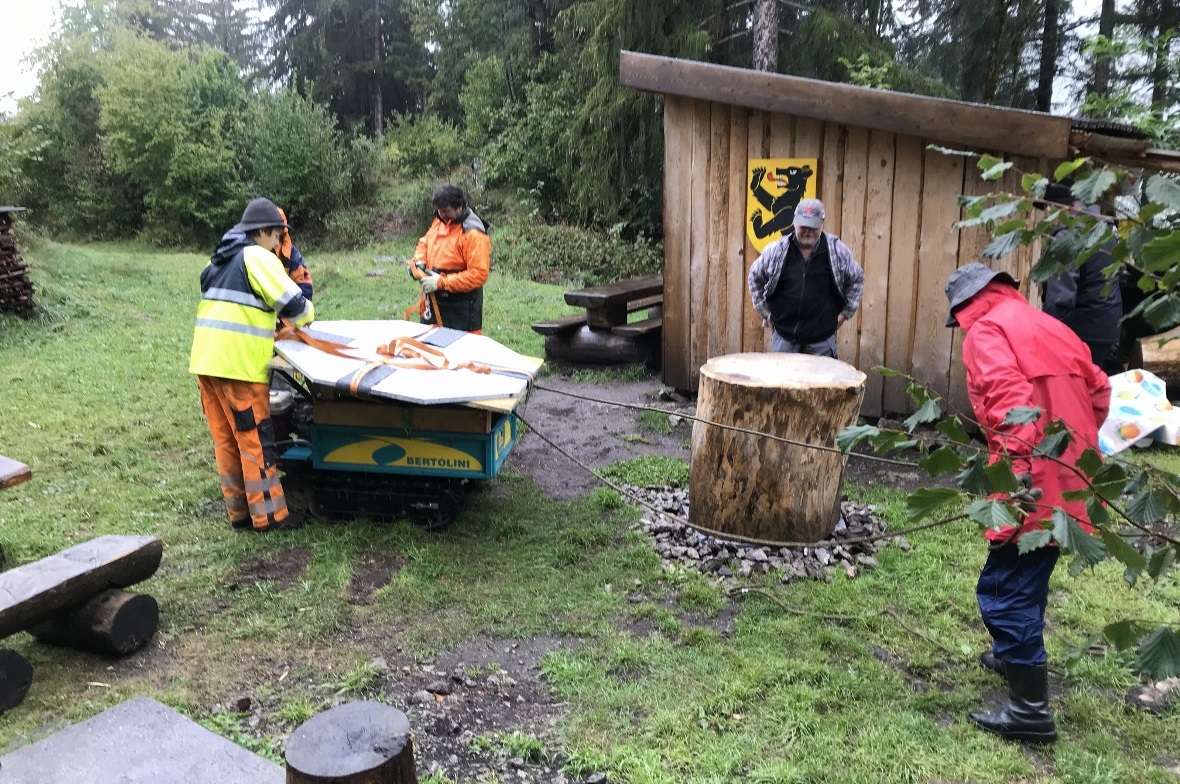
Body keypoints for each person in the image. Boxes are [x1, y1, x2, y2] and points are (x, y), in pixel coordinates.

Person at [944, 262, 1110, 744]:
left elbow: (1009, 403)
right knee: (1030, 572)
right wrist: (1077, 448)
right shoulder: (1048, 324)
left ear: (964, 308)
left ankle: (1030, 711)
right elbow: (1099, 390)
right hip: (1073, 474)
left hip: (1031, 478)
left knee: (1003, 589)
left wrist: (1017, 476)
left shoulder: (987, 332)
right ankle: (1011, 657)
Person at [190, 198, 315, 533]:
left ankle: (240, 514)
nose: (278, 246)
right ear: (261, 232)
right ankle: (271, 517)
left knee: (226, 441)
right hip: (239, 368)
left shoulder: (218, 258)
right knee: (256, 441)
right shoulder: (257, 257)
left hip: (206, 362)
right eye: (276, 237)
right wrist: (303, 317)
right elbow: (297, 307)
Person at [747, 198, 863, 358]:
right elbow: (754, 276)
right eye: (803, 226)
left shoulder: (836, 251)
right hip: (784, 338)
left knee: (823, 384)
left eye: (813, 226)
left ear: (822, 223)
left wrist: (845, 314)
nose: (808, 231)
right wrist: (765, 312)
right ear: (795, 223)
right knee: (783, 383)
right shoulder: (777, 250)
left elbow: (856, 278)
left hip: (822, 341)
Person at [1040, 181, 1122, 369]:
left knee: (1072, 389)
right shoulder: (1104, 231)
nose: (1047, 218)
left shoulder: (1068, 238)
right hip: (1108, 327)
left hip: (1082, 330)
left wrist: (1045, 336)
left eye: (1050, 210)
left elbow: (1061, 297)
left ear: (1065, 208)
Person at [408, 184, 490, 333]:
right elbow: (425, 242)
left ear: (459, 206)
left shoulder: (473, 233)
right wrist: (419, 262)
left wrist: (441, 282)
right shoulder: (440, 220)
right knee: (429, 348)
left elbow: (478, 274)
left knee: (459, 353)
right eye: (439, 211)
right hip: (434, 304)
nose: (442, 215)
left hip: (461, 310)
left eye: (446, 211)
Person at [275, 207, 313, 300]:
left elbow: (304, 285)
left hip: (284, 308)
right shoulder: (250, 253)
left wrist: (294, 311)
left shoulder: (290, 253)